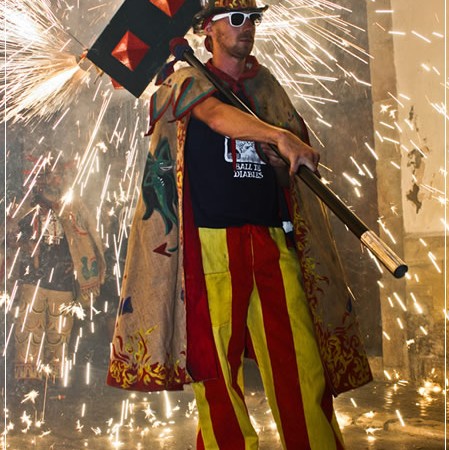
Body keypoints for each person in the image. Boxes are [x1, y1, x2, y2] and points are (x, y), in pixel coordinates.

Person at [107, 1, 372, 448]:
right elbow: (214, 115)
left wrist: (280, 161)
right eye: (235, 19)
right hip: (210, 244)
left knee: (302, 364)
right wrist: (277, 136)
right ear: (207, 29)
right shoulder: (185, 80)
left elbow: (291, 174)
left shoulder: (267, 88)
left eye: (252, 18)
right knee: (216, 372)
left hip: (271, 238)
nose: (246, 27)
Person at [12, 155, 105, 389]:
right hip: (33, 279)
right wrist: (26, 245)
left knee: (60, 332)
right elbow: (11, 234)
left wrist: (79, 264)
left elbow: (87, 238)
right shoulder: (28, 205)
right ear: (40, 178)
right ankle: (28, 381)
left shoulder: (74, 206)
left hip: (62, 280)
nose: (54, 180)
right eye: (49, 176)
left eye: (58, 175)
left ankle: (53, 381)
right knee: (29, 330)